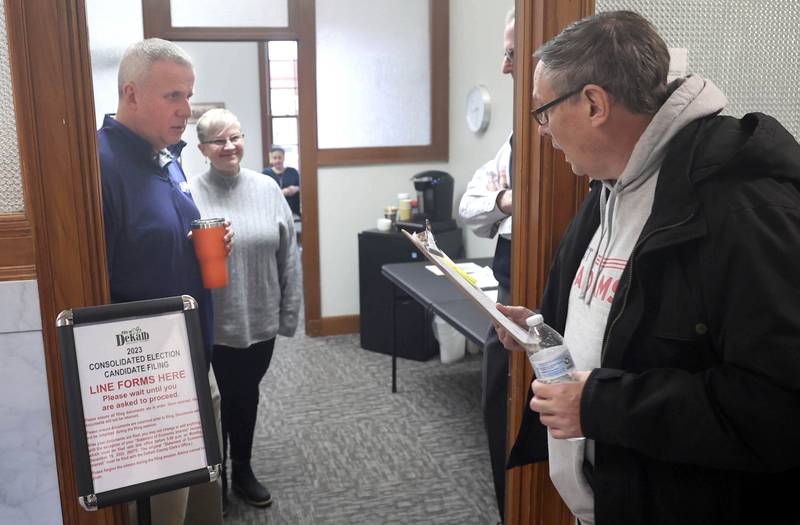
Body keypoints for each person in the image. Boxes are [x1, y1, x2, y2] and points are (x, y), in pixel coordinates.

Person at [495, 10, 800, 525]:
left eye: (542, 112)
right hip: (616, 494)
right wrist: (546, 331)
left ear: (593, 104)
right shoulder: (609, 184)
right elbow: (626, 320)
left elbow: (776, 407)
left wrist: (600, 407)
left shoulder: (744, 208)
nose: (542, 131)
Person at [98, 38, 231, 525]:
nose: (187, 110)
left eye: (189, 95)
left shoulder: (167, 158)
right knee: (162, 513)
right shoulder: (99, 166)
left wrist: (202, 247)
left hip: (191, 357)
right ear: (131, 95)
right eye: (173, 96)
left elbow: (159, 240)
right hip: (146, 378)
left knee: (201, 504)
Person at [189, 109, 301, 513]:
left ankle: (241, 469)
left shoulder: (267, 187)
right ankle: (215, 474)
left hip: (261, 319)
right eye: (217, 141)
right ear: (202, 149)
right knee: (222, 398)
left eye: (234, 136)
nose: (229, 146)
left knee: (245, 394)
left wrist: (289, 315)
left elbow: (288, 255)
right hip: (214, 324)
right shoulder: (189, 191)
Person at [457, 7, 515, 522]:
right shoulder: (514, 142)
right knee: (496, 401)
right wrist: (505, 203)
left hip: (544, 281)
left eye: (511, 52)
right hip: (507, 280)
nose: (504, 65)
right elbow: (470, 206)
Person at [263, 145, 301, 217]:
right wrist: (283, 192)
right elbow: (264, 193)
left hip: (293, 212)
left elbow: (301, 187)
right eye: (275, 158)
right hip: (273, 213)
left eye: (280, 157)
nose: (277, 160)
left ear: (283, 158)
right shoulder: (265, 174)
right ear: (271, 159)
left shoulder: (293, 172)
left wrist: (296, 189)